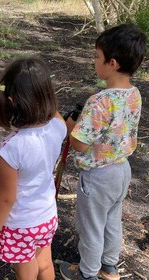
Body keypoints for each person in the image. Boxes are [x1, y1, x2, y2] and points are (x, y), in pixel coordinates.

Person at [59, 24, 147, 280]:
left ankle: (86, 273)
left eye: (97, 57)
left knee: (91, 227)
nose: (94, 62)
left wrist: (72, 125)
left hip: (97, 175)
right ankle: (109, 267)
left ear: (113, 63)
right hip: (121, 170)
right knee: (111, 220)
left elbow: (80, 144)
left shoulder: (100, 101)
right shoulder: (134, 94)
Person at [0, 56, 67, 280]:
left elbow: (6, 199)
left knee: (25, 270)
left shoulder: (12, 148)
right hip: (47, 215)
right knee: (45, 263)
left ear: (10, 101)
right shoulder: (58, 126)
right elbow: (54, 111)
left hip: (22, 224)